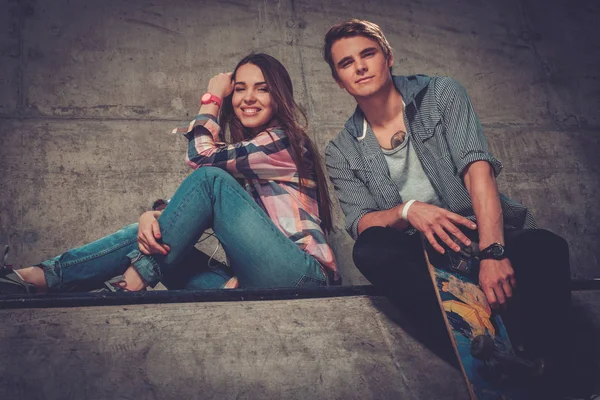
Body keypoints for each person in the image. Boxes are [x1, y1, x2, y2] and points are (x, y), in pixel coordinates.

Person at [322, 19, 572, 395]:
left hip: (478, 231)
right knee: (370, 247)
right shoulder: (341, 149)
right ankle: (478, 349)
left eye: (368, 54)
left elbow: (478, 173)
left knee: (548, 248)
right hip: (423, 253)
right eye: (346, 63)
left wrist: (493, 252)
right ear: (339, 81)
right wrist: (408, 211)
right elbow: (360, 222)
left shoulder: (440, 94)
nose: (359, 67)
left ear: (388, 57)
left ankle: (545, 371)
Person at [0, 53, 338, 294]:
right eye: (240, 89)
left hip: (302, 277)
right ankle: (29, 280)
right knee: (147, 234)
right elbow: (187, 209)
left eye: (262, 88)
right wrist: (154, 216)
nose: (248, 97)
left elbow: (203, 161)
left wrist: (211, 100)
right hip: (255, 282)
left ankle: (128, 284)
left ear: (279, 97)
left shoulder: (284, 142)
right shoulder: (247, 156)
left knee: (209, 179)